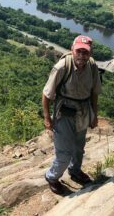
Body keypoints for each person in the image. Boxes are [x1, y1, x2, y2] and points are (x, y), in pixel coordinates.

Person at [42, 35, 101, 195]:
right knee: (64, 153)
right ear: (72, 50)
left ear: (90, 53)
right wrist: (47, 118)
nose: (82, 56)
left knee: (78, 148)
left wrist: (94, 115)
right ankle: (52, 177)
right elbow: (46, 94)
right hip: (64, 113)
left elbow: (94, 93)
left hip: (83, 112)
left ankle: (74, 171)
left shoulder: (92, 66)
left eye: (85, 52)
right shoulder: (62, 67)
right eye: (79, 51)